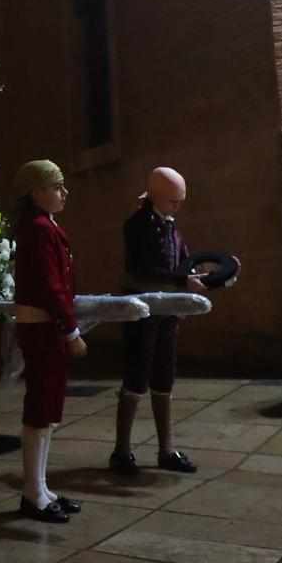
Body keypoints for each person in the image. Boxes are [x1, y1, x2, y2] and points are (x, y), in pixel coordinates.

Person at [109, 167, 209, 477]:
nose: (177, 207)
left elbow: (182, 261)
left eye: (180, 201)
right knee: (137, 376)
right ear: (154, 196)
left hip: (168, 310)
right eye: (172, 201)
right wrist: (183, 279)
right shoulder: (136, 225)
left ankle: (166, 449)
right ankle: (121, 451)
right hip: (142, 310)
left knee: (164, 377)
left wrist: (209, 273)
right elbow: (140, 268)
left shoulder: (170, 225)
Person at [11, 159, 86, 523]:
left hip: (46, 328)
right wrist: (71, 331)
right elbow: (50, 287)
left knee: (48, 409)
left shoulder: (43, 226)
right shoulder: (37, 228)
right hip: (43, 328)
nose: (64, 193)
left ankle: (40, 487)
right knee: (40, 409)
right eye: (57, 186)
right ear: (37, 192)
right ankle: (32, 493)